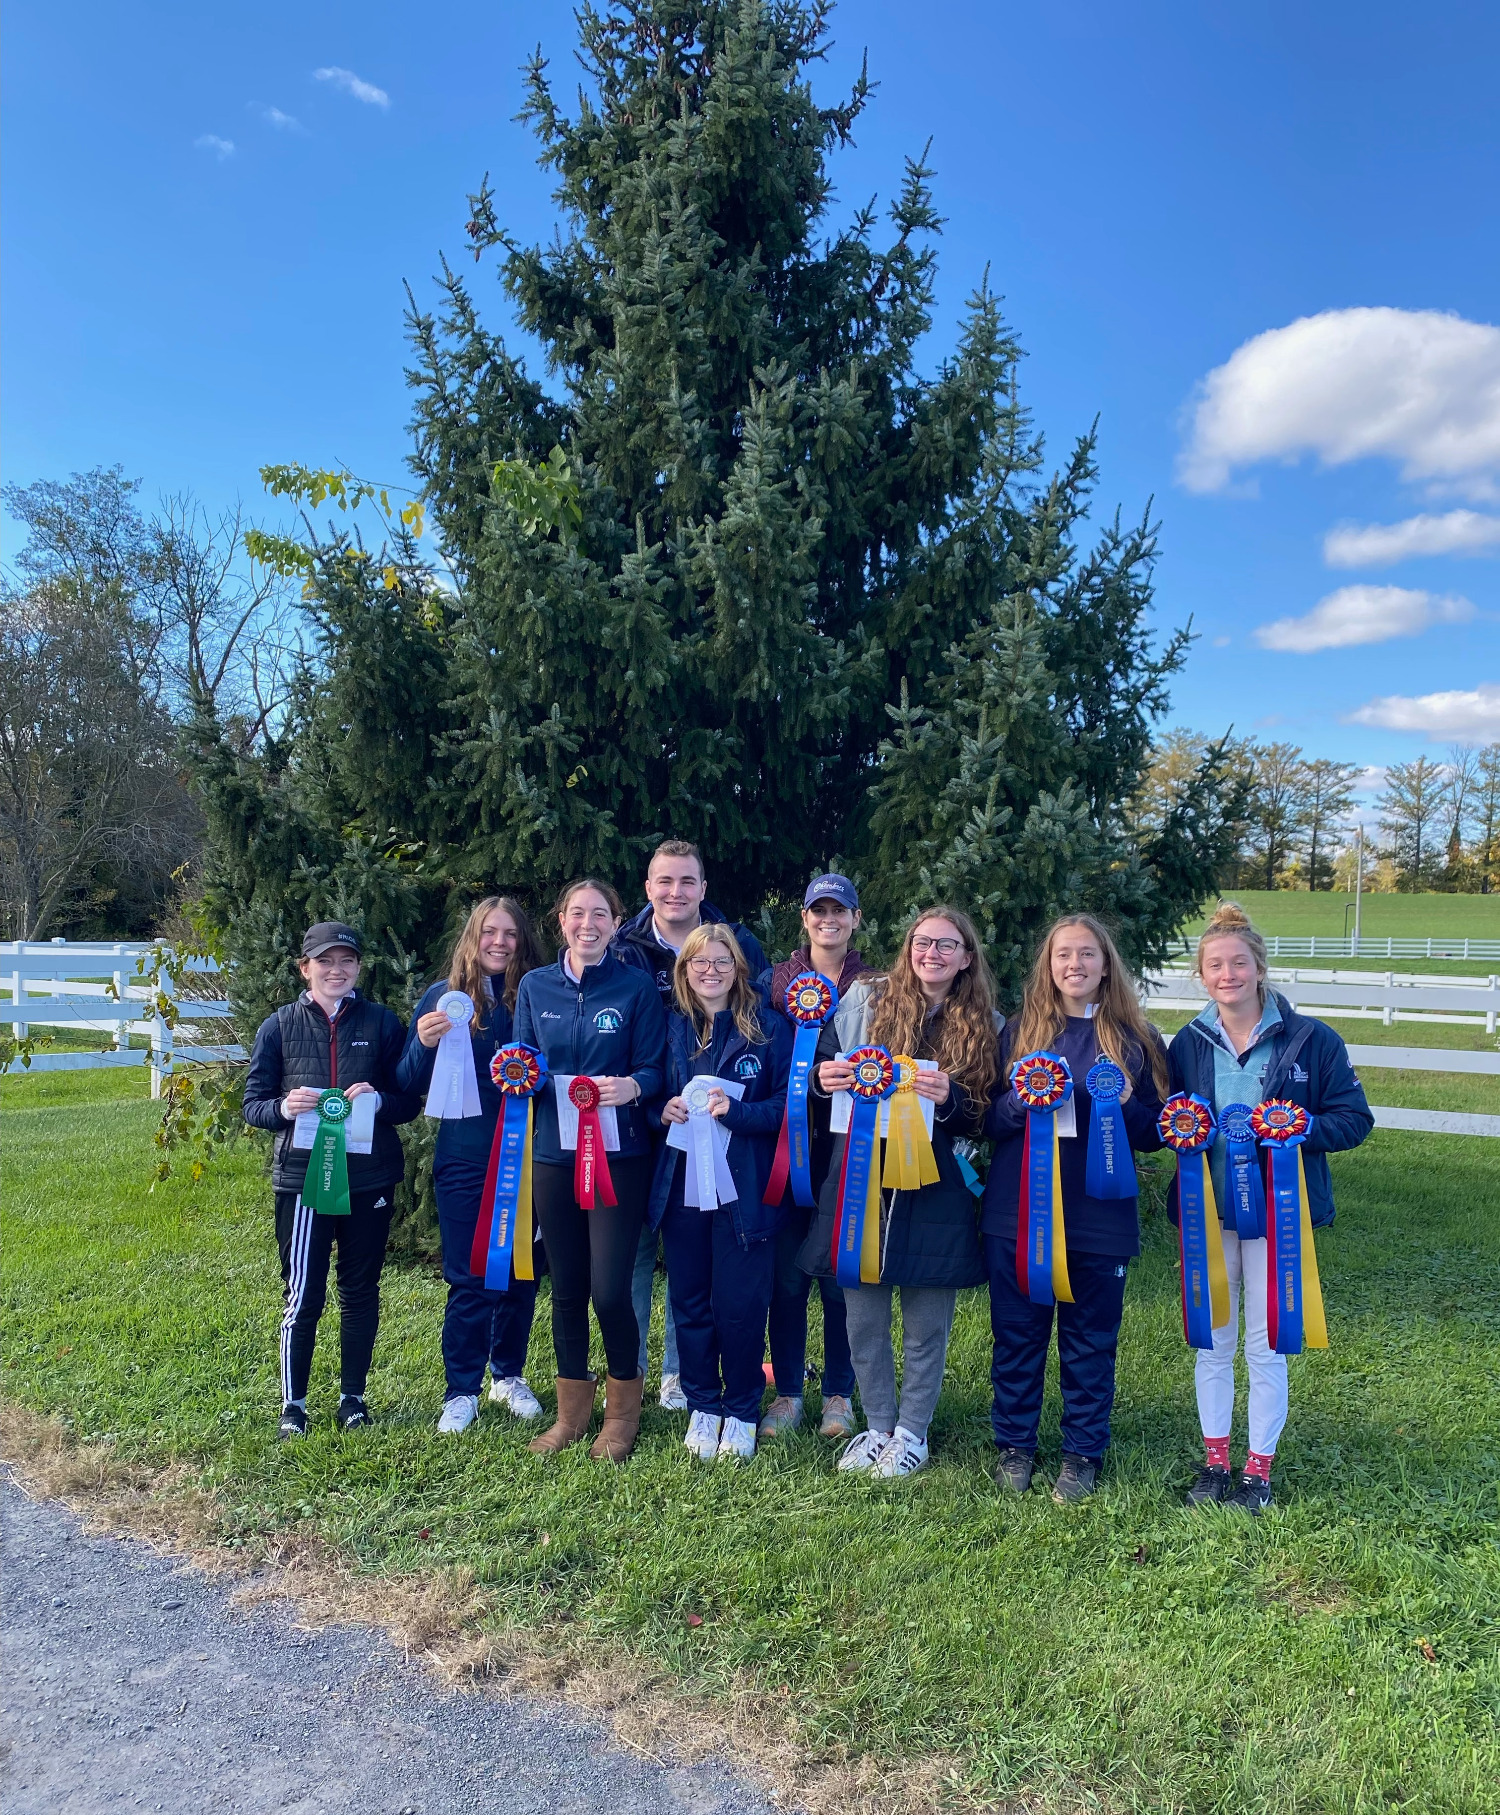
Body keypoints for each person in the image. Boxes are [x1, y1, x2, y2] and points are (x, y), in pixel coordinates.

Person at [1168, 901, 1372, 1514]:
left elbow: (1354, 1120)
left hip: (1278, 1218)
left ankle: (1258, 1470)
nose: (1227, 974)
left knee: (1265, 1341)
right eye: (1214, 966)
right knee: (1212, 1339)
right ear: (1202, 976)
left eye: (1238, 963)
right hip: (1209, 1214)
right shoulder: (1188, 1043)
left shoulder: (1313, 1039)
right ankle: (1215, 1461)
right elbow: (1168, 1121)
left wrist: (1294, 1126)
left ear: (1259, 968)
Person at [798, 907, 998, 1478]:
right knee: (860, 1316)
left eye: (946, 945)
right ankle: (878, 1424)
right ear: (908, 947)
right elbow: (817, 1072)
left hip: (938, 1185)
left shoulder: (988, 1023)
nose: (932, 953)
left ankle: (913, 1432)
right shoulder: (863, 1000)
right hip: (860, 1179)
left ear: (966, 958)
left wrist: (952, 1100)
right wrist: (821, 1078)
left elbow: (993, 1116)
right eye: (923, 941)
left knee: (925, 1319)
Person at [982, 915, 1167, 1504]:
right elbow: (985, 1120)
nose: (1075, 966)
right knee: (1017, 1336)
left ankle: (1082, 1454)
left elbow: (1155, 1135)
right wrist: (1021, 1102)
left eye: (1087, 955)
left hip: (1099, 1219)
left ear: (1106, 965)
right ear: (1049, 965)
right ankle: (1015, 1445)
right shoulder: (1018, 1031)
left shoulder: (1136, 1040)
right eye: (1063, 955)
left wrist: (1133, 1104)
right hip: (1018, 1215)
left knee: (1090, 1341)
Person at [242, 921, 418, 1439]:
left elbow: (408, 1099)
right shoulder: (278, 1026)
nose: (336, 970)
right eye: (325, 961)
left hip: (369, 1179)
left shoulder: (385, 1023)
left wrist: (380, 1101)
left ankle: (353, 1399)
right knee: (303, 1294)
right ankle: (293, 1405)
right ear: (305, 968)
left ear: (359, 968)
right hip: (302, 1183)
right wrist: (283, 1107)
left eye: (346, 961)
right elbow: (252, 1105)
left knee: (360, 1290)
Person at [613, 839, 770, 1411]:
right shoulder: (623, 946)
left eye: (687, 882)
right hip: (636, 1130)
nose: (675, 892)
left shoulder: (740, 944)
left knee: (712, 1266)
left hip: (727, 1149)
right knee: (644, 1254)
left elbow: (763, 1045)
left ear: (703, 890)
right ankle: (626, 1373)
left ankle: (684, 1377)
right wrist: (654, 1109)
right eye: (664, 881)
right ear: (649, 887)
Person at [513, 879, 668, 1461]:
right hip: (554, 1155)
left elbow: (654, 1068)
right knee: (568, 1288)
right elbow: (521, 1062)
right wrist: (521, 1075)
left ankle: (622, 1414)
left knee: (609, 1291)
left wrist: (631, 1085)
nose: (587, 924)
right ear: (561, 921)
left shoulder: (634, 989)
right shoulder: (535, 986)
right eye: (577, 913)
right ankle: (571, 1415)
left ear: (615, 922)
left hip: (619, 1158)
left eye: (599, 914)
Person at [396, 896, 548, 1435]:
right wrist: (422, 1042)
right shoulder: (443, 997)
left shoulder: (536, 994)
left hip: (529, 1155)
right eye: (489, 932)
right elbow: (409, 1085)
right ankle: (461, 1389)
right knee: (468, 1276)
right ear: (472, 937)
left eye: (510, 933)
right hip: (463, 1155)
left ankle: (507, 1374)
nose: (500, 942)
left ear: (523, 939)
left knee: (519, 1274)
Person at [646, 925, 791, 1461]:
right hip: (683, 1189)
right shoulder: (671, 1029)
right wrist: (660, 1109)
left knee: (741, 1304)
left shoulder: (769, 1030)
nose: (711, 970)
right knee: (689, 1301)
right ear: (684, 970)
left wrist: (742, 1112)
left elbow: (787, 1108)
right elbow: (648, 1091)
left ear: (738, 969)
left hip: (745, 1192)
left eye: (722, 961)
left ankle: (743, 1409)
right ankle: (703, 1405)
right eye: (699, 962)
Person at [758, 873, 870, 1442]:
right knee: (787, 1277)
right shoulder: (775, 981)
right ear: (804, 917)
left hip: (852, 1147)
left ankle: (840, 1394)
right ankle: (788, 1393)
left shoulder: (878, 982)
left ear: (855, 919)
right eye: (819, 910)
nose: (829, 919)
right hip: (785, 1146)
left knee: (839, 1275)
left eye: (840, 911)